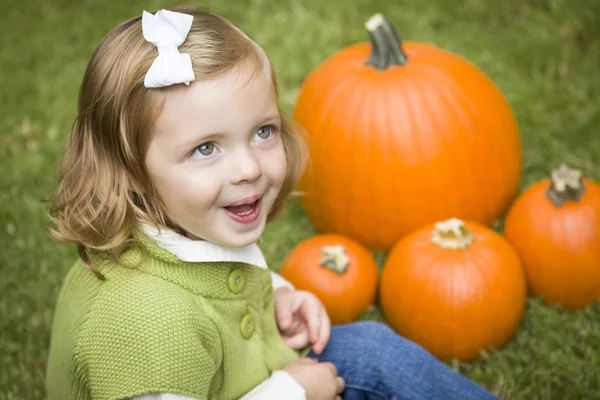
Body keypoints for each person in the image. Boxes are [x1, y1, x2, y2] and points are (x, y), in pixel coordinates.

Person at [45, 5, 500, 400]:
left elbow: (217, 279)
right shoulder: (147, 327)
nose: (249, 168)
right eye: (206, 148)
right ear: (130, 173)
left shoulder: (185, 223)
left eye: (263, 132)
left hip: (245, 379)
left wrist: (277, 293)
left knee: (372, 352)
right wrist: (292, 392)